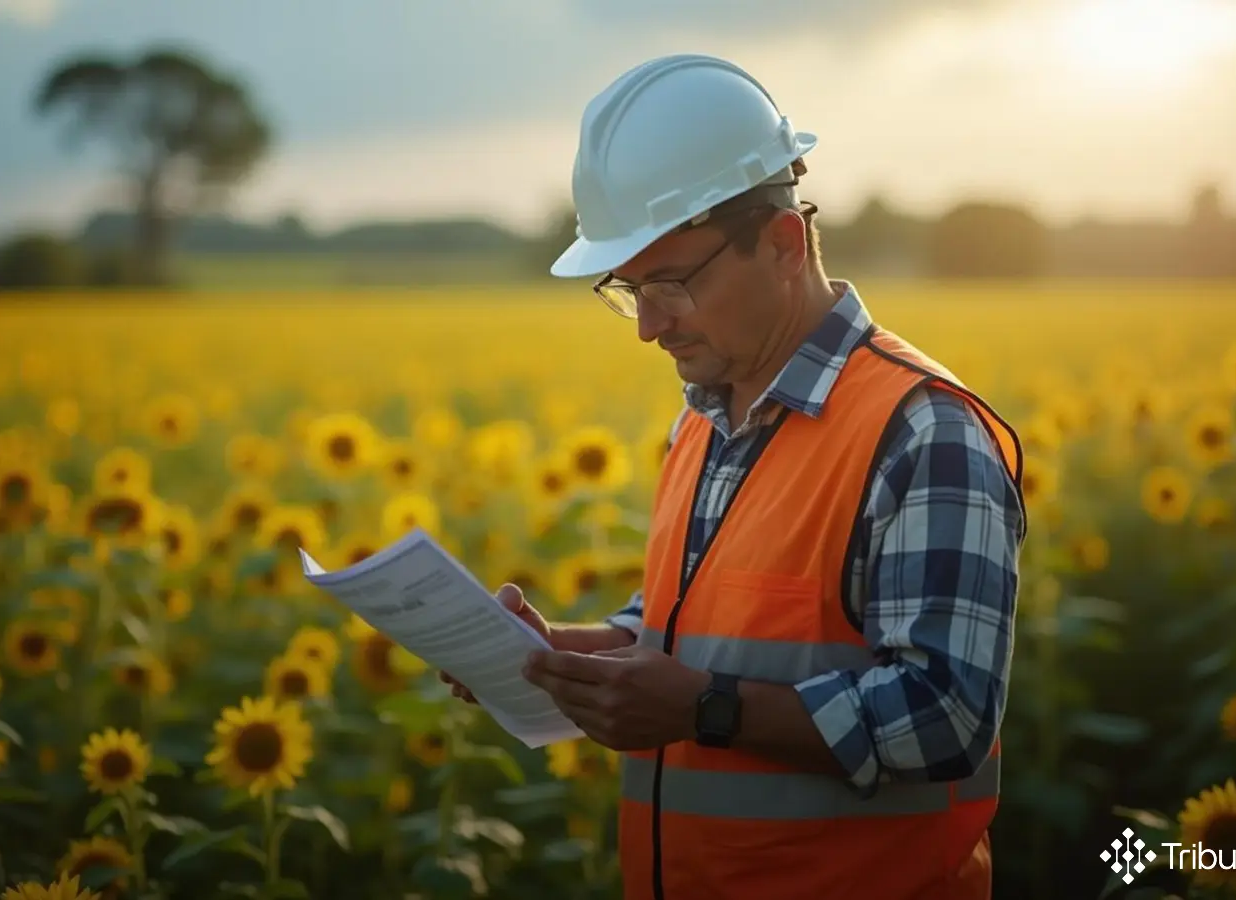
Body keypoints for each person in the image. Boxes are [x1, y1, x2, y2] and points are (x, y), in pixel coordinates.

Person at [439, 53, 1027, 900]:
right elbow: (696, 629)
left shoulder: (923, 433)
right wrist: (564, 655)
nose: (647, 326)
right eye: (628, 288)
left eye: (670, 284)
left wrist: (702, 709)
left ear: (783, 243)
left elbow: (946, 717)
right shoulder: (704, 419)